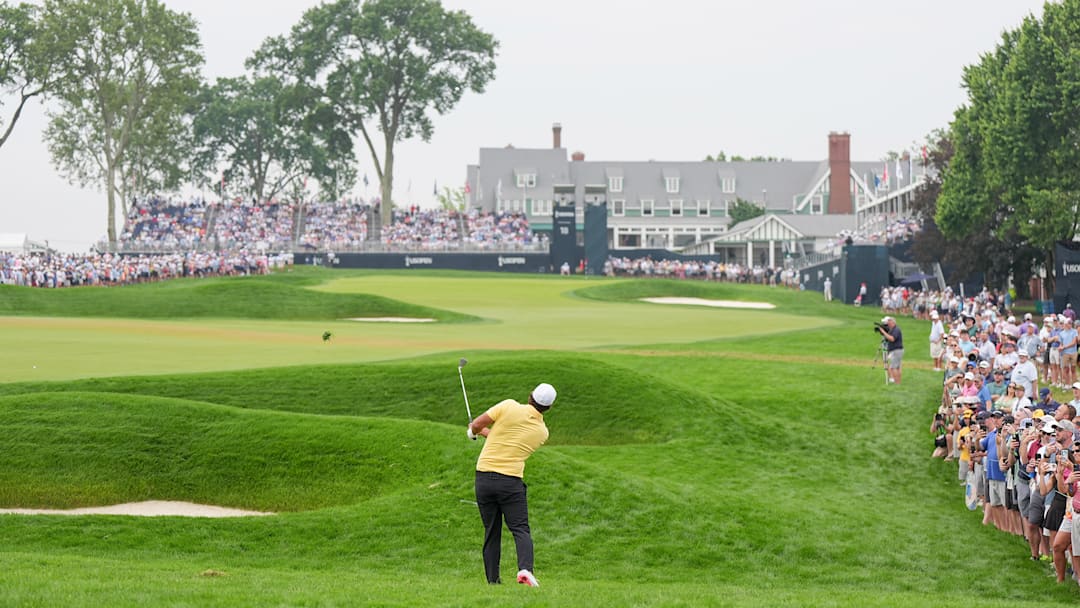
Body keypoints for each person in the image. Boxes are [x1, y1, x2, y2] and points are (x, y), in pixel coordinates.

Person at [467, 382, 557, 587]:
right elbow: (511, 443)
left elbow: (479, 424)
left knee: (492, 530)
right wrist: (480, 431)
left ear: (530, 395)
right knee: (520, 529)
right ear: (548, 408)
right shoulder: (542, 432)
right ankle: (525, 569)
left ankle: (493, 581)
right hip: (510, 482)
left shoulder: (508, 406)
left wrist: (473, 431)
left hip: (484, 478)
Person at [879, 316, 904, 385]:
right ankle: (898, 382)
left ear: (893, 322)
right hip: (896, 350)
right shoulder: (893, 329)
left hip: (896, 350)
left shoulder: (896, 330)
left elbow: (892, 339)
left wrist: (883, 332)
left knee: (893, 367)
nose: (888, 324)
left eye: (889, 323)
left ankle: (897, 382)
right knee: (897, 367)